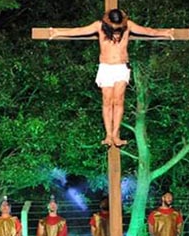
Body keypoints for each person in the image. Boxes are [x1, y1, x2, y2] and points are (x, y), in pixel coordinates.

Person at [48, 9, 176, 146]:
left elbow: (147, 31)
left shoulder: (128, 25)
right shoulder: (99, 26)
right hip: (106, 67)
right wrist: (58, 32)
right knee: (107, 101)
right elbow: (79, 31)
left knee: (119, 100)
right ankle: (108, 135)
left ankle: (116, 135)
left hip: (121, 67)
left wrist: (166, 33)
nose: (116, 28)